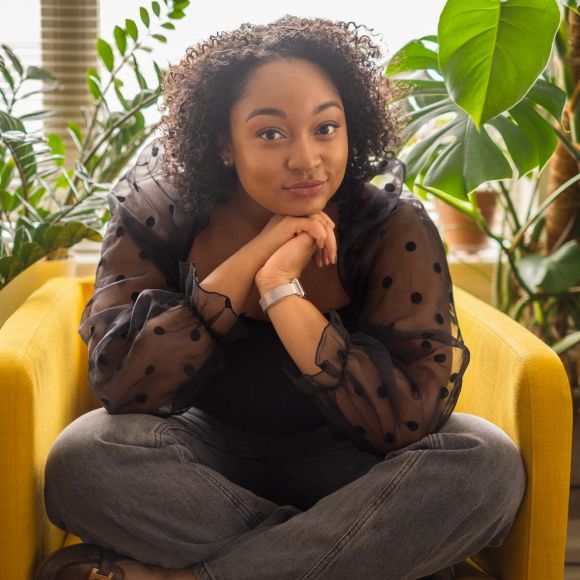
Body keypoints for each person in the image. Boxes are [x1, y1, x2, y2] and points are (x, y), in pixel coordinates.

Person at [35, 15, 526, 580]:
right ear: (224, 142)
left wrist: (280, 290)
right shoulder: (158, 215)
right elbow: (125, 384)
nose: (306, 159)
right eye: (271, 133)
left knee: (485, 461)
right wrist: (256, 255)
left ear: (352, 129)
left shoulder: (390, 225)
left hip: (353, 467)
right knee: (83, 457)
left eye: (326, 128)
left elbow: (406, 421)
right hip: (199, 463)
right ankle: (367, 557)